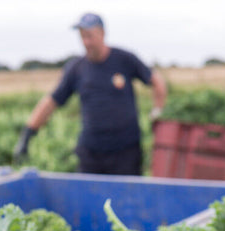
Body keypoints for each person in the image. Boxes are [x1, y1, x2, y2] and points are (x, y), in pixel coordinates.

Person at [14, 13, 167, 175]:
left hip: (126, 152)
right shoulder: (76, 68)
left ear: (102, 33)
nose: (86, 42)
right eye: (82, 37)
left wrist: (157, 110)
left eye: (89, 36)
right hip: (91, 153)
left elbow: (157, 81)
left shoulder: (124, 59)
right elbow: (51, 102)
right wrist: (28, 134)